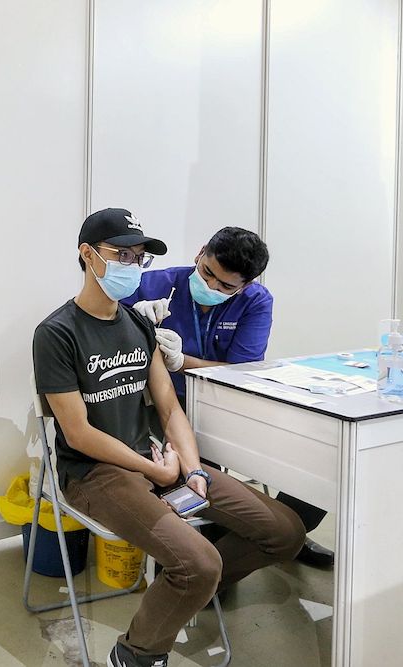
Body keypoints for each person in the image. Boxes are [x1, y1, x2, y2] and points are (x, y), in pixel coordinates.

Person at [33, 208, 305, 667]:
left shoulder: (138, 324)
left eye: (138, 257)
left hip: (160, 458)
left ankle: (188, 589)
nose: (131, 266)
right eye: (121, 254)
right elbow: (77, 434)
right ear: (87, 254)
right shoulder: (57, 333)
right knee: (199, 563)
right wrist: (154, 468)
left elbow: (170, 407)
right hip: (96, 473)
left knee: (285, 533)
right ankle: (137, 653)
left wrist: (194, 469)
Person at [123, 227, 334, 568]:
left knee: (320, 460)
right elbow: (108, 350)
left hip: (228, 406)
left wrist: (181, 362)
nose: (211, 287)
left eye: (226, 286)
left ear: (245, 285)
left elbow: (240, 371)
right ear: (200, 252)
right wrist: (131, 324)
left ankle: (281, 534)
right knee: (196, 473)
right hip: (160, 407)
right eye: (207, 273)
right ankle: (216, 555)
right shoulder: (153, 285)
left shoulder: (255, 302)